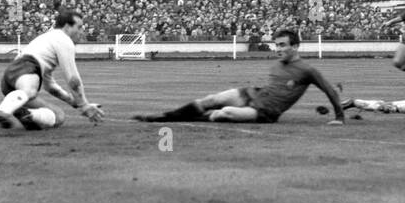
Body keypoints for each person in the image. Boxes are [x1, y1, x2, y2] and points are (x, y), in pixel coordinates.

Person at [134, 28, 346, 124]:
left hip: (266, 112)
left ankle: (182, 118)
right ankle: (166, 116)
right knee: (212, 100)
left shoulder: (307, 70)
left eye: (282, 45)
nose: (278, 49)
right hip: (252, 94)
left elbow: (330, 91)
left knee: (222, 113)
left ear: (296, 47)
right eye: (276, 45)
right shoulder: (277, 65)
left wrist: (339, 117)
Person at [0, 9, 105, 130]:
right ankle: (2, 110)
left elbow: (50, 86)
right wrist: (84, 105)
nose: (81, 31)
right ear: (67, 27)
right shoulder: (64, 40)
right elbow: (73, 79)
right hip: (26, 68)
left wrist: (75, 103)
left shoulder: (47, 42)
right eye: (79, 27)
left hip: (11, 79)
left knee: (58, 117)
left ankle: (27, 115)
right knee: (29, 91)